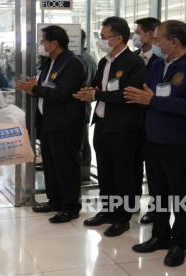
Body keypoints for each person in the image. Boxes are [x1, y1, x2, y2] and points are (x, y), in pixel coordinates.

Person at [126, 20, 186, 267]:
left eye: (159, 38)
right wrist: (147, 100)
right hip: (153, 139)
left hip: (178, 143)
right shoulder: (158, 65)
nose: (155, 42)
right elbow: (147, 94)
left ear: (174, 41)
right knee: (158, 192)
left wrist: (153, 101)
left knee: (180, 194)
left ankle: (180, 243)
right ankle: (160, 236)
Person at [74, 16, 147, 237]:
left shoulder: (134, 63)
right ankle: (107, 211)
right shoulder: (105, 61)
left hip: (124, 126)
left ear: (118, 38)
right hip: (103, 123)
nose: (101, 40)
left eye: (104, 37)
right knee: (105, 170)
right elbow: (98, 86)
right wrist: (88, 92)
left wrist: (97, 94)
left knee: (122, 173)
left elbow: (128, 94)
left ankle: (122, 217)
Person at [16, 25, 87, 223]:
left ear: (54, 43)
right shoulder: (50, 62)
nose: (42, 44)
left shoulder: (72, 63)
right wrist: (33, 88)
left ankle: (71, 206)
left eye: (44, 41)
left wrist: (36, 89)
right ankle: (54, 200)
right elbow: (43, 87)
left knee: (66, 165)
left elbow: (63, 93)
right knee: (51, 163)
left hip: (66, 123)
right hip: (48, 121)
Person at [132, 17, 161, 225]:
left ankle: (154, 208)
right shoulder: (134, 58)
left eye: (138, 32)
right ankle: (131, 202)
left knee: (155, 171)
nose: (135, 36)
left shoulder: (161, 62)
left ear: (151, 35)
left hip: (154, 122)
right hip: (132, 122)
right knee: (133, 164)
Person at [77, 29, 98, 183]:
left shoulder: (84, 59)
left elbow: (87, 85)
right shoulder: (81, 57)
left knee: (82, 140)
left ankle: (83, 175)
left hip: (81, 105)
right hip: (81, 104)